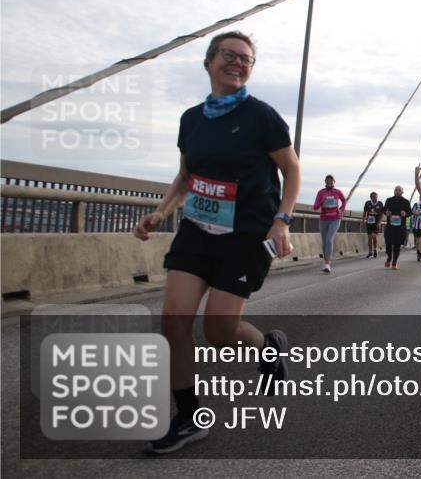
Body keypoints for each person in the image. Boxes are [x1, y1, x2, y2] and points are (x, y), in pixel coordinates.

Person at [133, 31, 300, 453]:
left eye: (246, 60)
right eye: (229, 55)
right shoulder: (191, 119)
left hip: (246, 235)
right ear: (209, 62)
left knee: (219, 331)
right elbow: (186, 175)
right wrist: (162, 211)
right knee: (174, 321)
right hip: (197, 230)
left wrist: (281, 221)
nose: (238, 64)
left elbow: (293, 172)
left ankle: (268, 347)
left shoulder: (263, 117)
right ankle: (188, 419)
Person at [312, 174, 346, 273]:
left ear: (334, 182)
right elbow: (315, 207)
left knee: (329, 240)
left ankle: (327, 264)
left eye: (331, 180)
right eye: (328, 180)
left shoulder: (337, 192)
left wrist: (342, 210)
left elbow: (344, 200)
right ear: (325, 181)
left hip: (335, 218)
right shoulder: (321, 192)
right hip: (324, 219)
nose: (329, 182)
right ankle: (326, 261)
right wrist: (321, 201)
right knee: (324, 241)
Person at [382, 185, 411, 270]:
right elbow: (384, 210)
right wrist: (386, 212)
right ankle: (389, 257)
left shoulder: (406, 202)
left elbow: (410, 212)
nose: (397, 191)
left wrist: (405, 214)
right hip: (390, 226)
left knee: (397, 245)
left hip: (400, 227)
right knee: (388, 243)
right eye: (396, 190)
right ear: (394, 191)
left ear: (402, 192)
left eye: (399, 190)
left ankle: (394, 262)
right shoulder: (389, 200)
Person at [363, 192, 383, 258]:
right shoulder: (367, 203)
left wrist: (379, 222)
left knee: (374, 236)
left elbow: (381, 214)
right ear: (371, 197)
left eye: (376, 196)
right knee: (369, 238)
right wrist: (363, 220)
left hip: (376, 223)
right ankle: (370, 252)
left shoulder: (380, 204)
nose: (375, 198)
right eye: (374, 197)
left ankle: (375, 250)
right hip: (369, 223)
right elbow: (365, 212)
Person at [411, 197, 421, 261]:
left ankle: (420, 254)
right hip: (416, 226)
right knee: (417, 241)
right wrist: (416, 213)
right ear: (420, 198)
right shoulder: (416, 204)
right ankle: (418, 252)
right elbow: (412, 211)